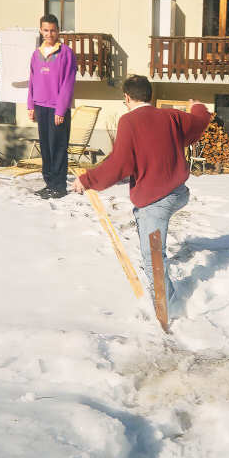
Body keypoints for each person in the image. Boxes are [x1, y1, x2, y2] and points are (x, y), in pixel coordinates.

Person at [72, 75, 211, 306]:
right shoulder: (171, 116)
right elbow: (200, 120)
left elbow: (119, 164)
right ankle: (163, 290)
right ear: (150, 95)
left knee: (152, 257)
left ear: (127, 97)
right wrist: (195, 105)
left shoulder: (129, 121)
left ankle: (167, 306)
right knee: (147, 225)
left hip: (156, 201)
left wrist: (88, 179)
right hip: (178, 193)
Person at [27, 14, 77, 199]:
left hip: (57, 108)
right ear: (41, 30)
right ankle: (48, 183)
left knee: (58, 147)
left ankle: (59, 186)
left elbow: (68, 83)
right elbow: (32, 80)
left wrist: (61, 109)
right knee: (46, 147)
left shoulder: (66, 53)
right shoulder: (36, 54)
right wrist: (30, 105)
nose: (49, 34)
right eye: (46, 30)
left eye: (53, 30)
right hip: (40, 106)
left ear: (58, 31)